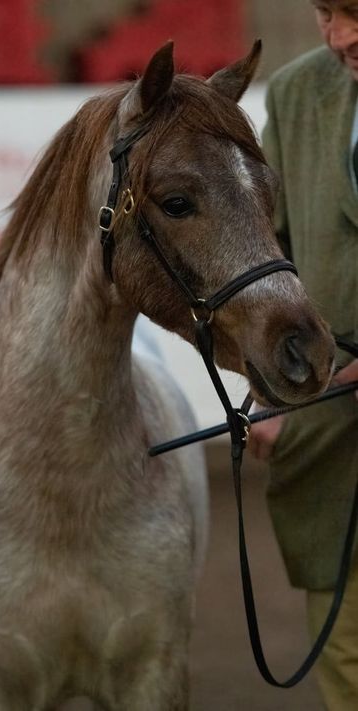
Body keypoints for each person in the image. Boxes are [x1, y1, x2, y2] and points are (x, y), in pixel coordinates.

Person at [248, 2, 358, 708]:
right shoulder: (293, 93)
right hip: (328, 430)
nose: (339, 36)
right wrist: (271, 388)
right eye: (326, 12)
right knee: (343, 642)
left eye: (355, 13)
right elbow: (267, 254)